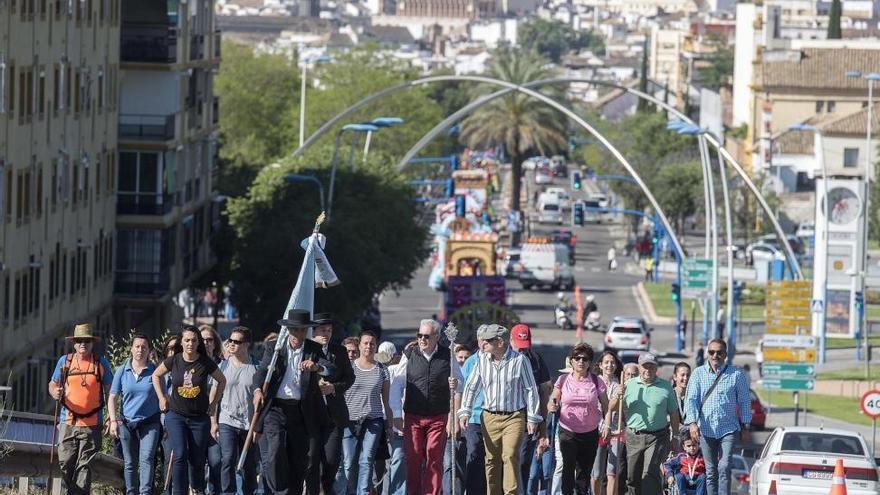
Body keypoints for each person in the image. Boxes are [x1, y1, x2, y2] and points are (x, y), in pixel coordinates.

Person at [252, 309, 335, 495]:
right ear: (288, 330)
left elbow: (330, 369)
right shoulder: (274, 348)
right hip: (276, 409)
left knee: (299, 460)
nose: (298, 334)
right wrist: (257, 390)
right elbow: (261, 373)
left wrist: (317, 367)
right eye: (295, 330)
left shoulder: (313, 349)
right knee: (275, 449)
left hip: (300, 411)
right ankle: (277, 489)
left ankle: (293, 491)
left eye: (302, 331)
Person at [458, 324, 542, 495]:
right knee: (492, 460)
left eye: (488, 341)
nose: (483, 344)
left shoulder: (519, 360)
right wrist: (465, 410)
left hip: (514, 417)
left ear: (500, 342)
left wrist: (533, 418)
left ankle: (510, 493)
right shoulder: (482, 360)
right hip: (489, 416)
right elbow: (472, 386)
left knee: (510, 456)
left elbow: (531, 389)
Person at [151, 325, 227, 495]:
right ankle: (179, 492)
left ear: (198, 342)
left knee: (197, 459)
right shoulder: (175, 360)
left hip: (199, 419)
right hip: (176, 415)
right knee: (179, 454)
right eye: (187, 340)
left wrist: (214, 403)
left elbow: (222, 381)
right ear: (182, 342)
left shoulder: (205, 362)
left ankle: (197, 488)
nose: (190, 343)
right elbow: (155, 375)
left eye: (194, 340)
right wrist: (162, 398)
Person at [397, 319, 464, 495]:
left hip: (437, 415)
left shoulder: (447, 355)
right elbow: (397, 383)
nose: (422, 339)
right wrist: (396, 413)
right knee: (413, 458)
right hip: (413, 415)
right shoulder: (410, 354)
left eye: (426, 336)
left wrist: (455, 383)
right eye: (419, 335)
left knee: (434, 457)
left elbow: (461, 383)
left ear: (437, 336)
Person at [47, 323, 114, 495]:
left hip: (92, 425)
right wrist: (55, 392)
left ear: (92, 343)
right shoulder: (65, 361)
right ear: (74, 343)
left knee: (84, 466)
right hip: (67, 422)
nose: (83, 344)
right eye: (79, 340)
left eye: (87, 341)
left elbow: (110, 392)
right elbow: (52, 384)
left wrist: (110, 417)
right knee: (65, 463)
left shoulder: (101, 363)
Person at [606, 353, 680, 495]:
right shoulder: (628, 384)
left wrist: (675, 435)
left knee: (649, 473)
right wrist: (617, 395)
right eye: (645, 366)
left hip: (657, 437)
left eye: (651, 366)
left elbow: (674, 413)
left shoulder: (665, 387)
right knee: (632, 476)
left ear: (656, 368)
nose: (648, 370)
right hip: (633, 436)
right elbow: (612, 407)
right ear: (639, 368)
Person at [684, 338, 751, 495]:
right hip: (706, 430)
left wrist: (746, 425)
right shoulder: (698, 374)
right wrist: (692, 423)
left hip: (728, 429)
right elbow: (691, 399)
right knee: (711, 470)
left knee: (724, 466)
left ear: (725, 354)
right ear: (707, 353)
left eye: (719, 352)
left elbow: (744, 401)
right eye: (711, 352)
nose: (715, 356)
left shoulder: (736, 374)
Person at [547, 343, 608, 495]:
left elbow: (606, 406)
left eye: (585, 359)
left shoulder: (596, 381)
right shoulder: (562, 380)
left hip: (590, 432)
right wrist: (552, 405)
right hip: (567, 432)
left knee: (584, 472)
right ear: (571, 361)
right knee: (567, 468)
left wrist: (606, 425)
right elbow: (552, 401)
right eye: (577, 358)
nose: (581, 362)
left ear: (590, 363)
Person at [338, 331, 393, 495]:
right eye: (365, 343)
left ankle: (363, 491)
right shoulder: (349, 368)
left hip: (373, 420)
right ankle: (350, 491)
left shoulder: (382, 370)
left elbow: (386, 401)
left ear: (376, 347)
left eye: (372, 344)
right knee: (348, 461)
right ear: (359, 345)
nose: (368, 346)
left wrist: (389, 425)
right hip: (350, 420)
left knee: (366, 459)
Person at [108, 333, 161, 495]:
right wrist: (113, 420)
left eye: (144, 347)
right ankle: (131, 492)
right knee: (130, 462)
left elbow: (163, 398)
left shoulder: (155, 372)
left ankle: (145, 493)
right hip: (126, 423)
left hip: (149, 423)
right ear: (131, 349)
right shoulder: (122, 371)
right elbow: (112, 397)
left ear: (149, 350)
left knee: (146, 460)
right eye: (137, 346)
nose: (140, 350)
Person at [309, 313, 356, 495]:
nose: (326, 334)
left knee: (331, 459)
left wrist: (334, 388)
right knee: (312, 458)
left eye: (329, 330)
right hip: (311, 414)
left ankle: (327, 488)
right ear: (313, 331)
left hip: (333, 415)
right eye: (322, 330)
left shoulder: (340, 351)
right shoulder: (307, 350)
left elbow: (349, 378)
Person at [217, 326, 259, 495]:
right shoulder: (223, 366)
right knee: (227, 459)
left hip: (249, 424)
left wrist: (258, 426)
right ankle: (228, 492)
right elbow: (214, 395)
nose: (232, 344)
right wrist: (213, 421)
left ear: (246, 344)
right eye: (230, 341)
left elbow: (261, 399)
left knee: (249, 465)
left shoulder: (256, 367)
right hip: (226, 420)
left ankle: (249, 491)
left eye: (237, 341)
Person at [509, 324, 552, 490]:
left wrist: (543, 431)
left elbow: (544, 393)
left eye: (525, 347)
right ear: (510, 341)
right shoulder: (502, 359)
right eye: (518, 348)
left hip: (528, 422)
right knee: (507, 461)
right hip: (505, 418)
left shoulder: (536, 360)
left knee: (523, 463)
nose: (522, 352)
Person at [590, 351, 623, 495]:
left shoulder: (620, 384)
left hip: (616, 431)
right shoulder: (593, 382)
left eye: (612, 362)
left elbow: (615, 408)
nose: (610, 365)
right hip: (596, 430)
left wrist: (621, 395)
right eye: (606, 362)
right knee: (596, 474)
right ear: (600, 365)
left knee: (612, 472)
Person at [460, 337, 487, 495]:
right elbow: (462, 389)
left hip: (495, 417)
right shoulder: (471, 361)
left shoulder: (499, 360)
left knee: (492, 459)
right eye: (483, 340)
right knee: (474, 454)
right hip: (474, 418)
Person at [200, 325, 224, 495]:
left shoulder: (223, 365)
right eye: (203, 340)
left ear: (215, 343)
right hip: (197, 420)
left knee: (216, 461)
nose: (206, 343)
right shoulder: (192, 364)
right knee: (197, 463)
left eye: (210, 340)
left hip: (219, 419)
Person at [386, 341, 411, 495]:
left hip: (422, 420)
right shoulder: (394, 370)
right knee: (397, 459)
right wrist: (396, 417)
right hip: (400, 423)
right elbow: (393, 393)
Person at [672, 362, 692, 437]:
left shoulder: (694, 395)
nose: (685, 378)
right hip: (673, 436)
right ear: (675, 377)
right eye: (682, 375)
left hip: (691, 440)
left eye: (688, 375)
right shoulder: (669, 395)